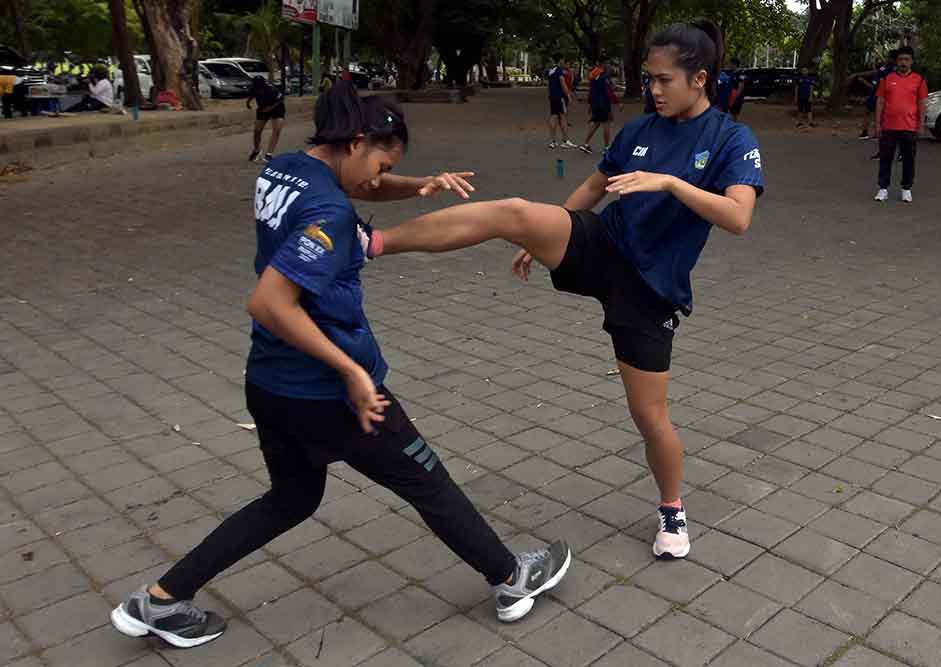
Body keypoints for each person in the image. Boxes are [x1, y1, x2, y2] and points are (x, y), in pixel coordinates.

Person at [109, 81, 572, 649]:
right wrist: (350, 372)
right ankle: (510, 577)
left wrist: (415, 185)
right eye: (380, 162)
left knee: (292, 498)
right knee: (426, 480)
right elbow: (270, 301)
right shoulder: (328, 210)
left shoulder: (285, 168)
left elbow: (356, 187)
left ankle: (161, 599)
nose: (378, 178)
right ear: (356, 142)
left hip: (269, 382)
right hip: (326, 389)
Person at [359, 18, 764, 563]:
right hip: (603, 245)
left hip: (650, 288)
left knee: (649, 418)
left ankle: (672, 507)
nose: (654, 90)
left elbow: (738, 217)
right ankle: (375, 241)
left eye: (665, 80)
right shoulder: (641, 129)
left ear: (700, 78)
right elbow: (597, 185)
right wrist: (547, 232)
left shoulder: (730, 139)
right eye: (650, 79)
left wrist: (671, 183)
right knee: (516, 213)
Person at [874, 46, 927, 203]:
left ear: (912, 61)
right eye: (900, 59)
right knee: (885, 158)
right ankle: (883, 189)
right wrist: (877, 123)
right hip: (889, 126)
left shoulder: (919, 80)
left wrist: (921, 124)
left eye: (907, 59)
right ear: (896, 62)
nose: (903, 62)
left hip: (909, 127)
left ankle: (906, 189)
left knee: (909, 159)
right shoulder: (887, 79)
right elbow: (880, 101)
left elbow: (922, 103)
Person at [579, 55, 624, 155]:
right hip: (603, 103)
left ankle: (585, 144)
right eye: (607, 63)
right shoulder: (603, 76)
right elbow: (608, 91)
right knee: (606, 124)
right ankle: (606, 147)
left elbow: (591, 91)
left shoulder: (592, 75)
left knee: (596, 123)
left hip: (595, 103)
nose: (608, 65)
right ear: (603, 63)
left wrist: (590, 104)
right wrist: (617, 103)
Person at [855, 50, 897, 139]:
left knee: (878, 113)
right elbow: (874, 74)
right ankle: (865, 132)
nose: (886, 58)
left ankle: (877, 133)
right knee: (867, 111)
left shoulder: (892, 70)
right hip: (873, 92)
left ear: (892, 59)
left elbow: (885, 85)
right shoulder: (884, 67)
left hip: (880, 94)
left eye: (888, 57)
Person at [247, 76, 285, 163]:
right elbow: (251, 96)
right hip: (262, 109)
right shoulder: (253, 88)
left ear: (263, 86)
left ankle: (269, 154)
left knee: (277, 130)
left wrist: (270, 108)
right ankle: (257, 150)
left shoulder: (272, 89)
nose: (257, 90)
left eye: (259, 88)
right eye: (256, 88)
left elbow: (281, 99)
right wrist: (248, 103)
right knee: (257, 131)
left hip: (277, 109)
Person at [546, 54, 577, 149]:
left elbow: (548, 85)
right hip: (560, 97)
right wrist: (568, 95)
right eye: (563, 60)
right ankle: (565, 141)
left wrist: (550, 95)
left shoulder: (551, 71)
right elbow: (563, 84)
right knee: (563, 117)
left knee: (553, 116)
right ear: (560, 60)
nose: (564, 62)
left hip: (552, 96)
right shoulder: (559, 71)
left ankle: (552, 141)